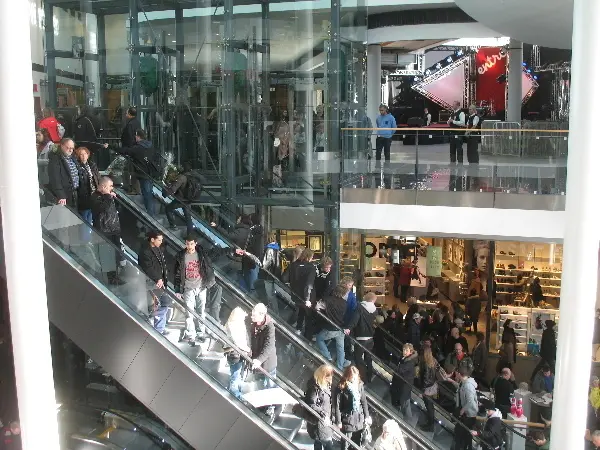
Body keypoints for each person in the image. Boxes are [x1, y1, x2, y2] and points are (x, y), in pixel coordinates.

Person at [175, 234, 242, 343]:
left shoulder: (202, 254)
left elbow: (218, 252)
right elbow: (177, 273)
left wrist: (233, 250)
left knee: (200, 312)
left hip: (201, 287)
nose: (189, 246)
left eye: (191, 244)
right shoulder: (181, 256)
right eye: (187, 244)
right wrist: (177, 289)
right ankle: (190, 334)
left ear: (195, 244)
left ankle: (201, 332)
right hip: (188, 288)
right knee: (189, 313)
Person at [91, 176, 125, 286]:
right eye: (110, 186)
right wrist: (107, 196)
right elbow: (103, 208)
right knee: (108, 255)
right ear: (104, 186)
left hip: (114, 229)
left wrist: (112, 198)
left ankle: (116, 276)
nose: (112, 188)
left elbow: (116, 210)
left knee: (116, 254)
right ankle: (111, 278)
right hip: (104, 230)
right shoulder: (95, 197)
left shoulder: (109, 196)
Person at [249, 303, 280, 424]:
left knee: (270, 386)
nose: (252, 316)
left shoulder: (270, 327)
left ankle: (271, 407)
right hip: (257, 363)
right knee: (261, 385)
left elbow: (269, 346)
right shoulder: (252, 323)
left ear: (262, 315)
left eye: (254, 314)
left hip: (267, 364)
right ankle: (263, 404)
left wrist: (259, 360)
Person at [117, 129, 157, 216]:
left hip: (143, 174)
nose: (135, 137)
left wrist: (111, 147)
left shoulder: (138, 148)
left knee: (146, 195)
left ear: (138, 136)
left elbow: (126, 151)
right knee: (149, 193)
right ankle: (152, 213)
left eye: (135, 135)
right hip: (151, 173)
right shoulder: (150, 146)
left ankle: (151, 215)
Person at [138, 231, 171, 334]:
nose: (161, 242)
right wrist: (158, 278)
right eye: (159, 240)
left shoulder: (158, 249)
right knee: (160, 304)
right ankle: (158, 329)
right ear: (152, 239)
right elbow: (148, 267)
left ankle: (159, 327)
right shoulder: (145, 251)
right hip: (152, 282)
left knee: (163, 303)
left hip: (159, 281)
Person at [334, 365, 371, 450]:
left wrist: (367, 416)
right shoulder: (341, 388)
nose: (354, 380)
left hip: (359, 420)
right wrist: (339, 421)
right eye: (352, 378)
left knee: (357, 445)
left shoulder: (359, 385)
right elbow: (337, 406)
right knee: (346, 445)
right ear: (347, 377)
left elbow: (363, 401)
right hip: (348, 421)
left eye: (355, 377)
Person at [315, 284, 350, 370]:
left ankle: (328, 358)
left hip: (331, 328)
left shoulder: (328, 300)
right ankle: (340, 367)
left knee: (319, 338)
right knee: (340, 348)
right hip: (341, 329)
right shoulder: (344, 303)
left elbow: (317, 307)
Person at [163, 162, 202, 235]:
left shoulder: (182, 177)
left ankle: (173, 225)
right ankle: (190, 235)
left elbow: (173, 188)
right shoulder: (193, 176)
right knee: (188, 217)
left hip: (181, 200)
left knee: (168, 208)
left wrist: (166, 193)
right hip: (189, 199)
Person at [347, 292, 378, 383]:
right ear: (372, 300)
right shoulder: (375, 310)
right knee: (368, 357)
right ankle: (369, 376)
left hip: (361, 337)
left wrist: (349, 328)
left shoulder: (360, 307)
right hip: (370, 338)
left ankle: (362, 377)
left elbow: (355, 319)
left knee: (358, 358)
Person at [305, 364, 335, 450]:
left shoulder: (324, 385)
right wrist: (323, 414)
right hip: (319, 423)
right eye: (328, 377)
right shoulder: (314, 388)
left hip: (324, 421)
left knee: (318, 443)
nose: (330, 379)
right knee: (328, 445)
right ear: (323, 376)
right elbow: (310, 403)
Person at [224, 307, 251, 399]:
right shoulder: (234, 325)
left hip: (237, 355)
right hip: (235, 355)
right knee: (235, 376)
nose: (244, 318)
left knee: (236, 375)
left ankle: (236, 393)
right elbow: (238, 342)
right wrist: (248, 350)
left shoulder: (235, 323)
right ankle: (235, 394)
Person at [288, 248, 317, 336]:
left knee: (301, 311)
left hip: (296, 295)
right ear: (310, 256)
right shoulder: (311, 267)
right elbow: (309, 284)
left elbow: (285, 278)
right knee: (309, 316)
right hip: (307, 297)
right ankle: (307, 337)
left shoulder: (293, 265)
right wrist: (307, 299)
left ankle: (299, 328)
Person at [48, 138, 79, 206]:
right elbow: (55, 179)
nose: (71, 150)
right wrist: (61, 195)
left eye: (72, 148)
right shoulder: (55, 159)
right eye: (68, 147)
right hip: (64, 195)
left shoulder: (72, 157)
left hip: (74, 192)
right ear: (61, 146)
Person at [454, 365, 478, 450]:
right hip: (466, 414)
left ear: (460, 374)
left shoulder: (468, 386)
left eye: (456, 373)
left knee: (463, 435)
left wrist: (462, 410)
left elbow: (470, 401)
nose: (455, 375)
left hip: (469, 415)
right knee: (464, 435)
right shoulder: (463, 383)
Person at [391, 343, 418, 420]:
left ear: (411, 351)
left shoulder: (410, 362)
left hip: (405, 386)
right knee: (404, 402)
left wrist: (392, 365)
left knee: (405, 403)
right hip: (403, 385)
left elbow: (400, 370)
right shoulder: (404, 358)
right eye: (404, 350)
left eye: (406, 350)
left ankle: (408, 421)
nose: (404, 351)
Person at [75, 147, 99, 226]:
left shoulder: (92, 164)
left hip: (94, 195)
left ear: (88, 155)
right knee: (84, 220)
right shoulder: (77, 166)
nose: (83, 156)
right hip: (84, 197)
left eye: (85, 154)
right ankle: (85, 238)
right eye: (81, 154)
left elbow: (98, 178)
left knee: (91, 218)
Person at [418, 345, 440, 432]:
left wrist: (422, 390)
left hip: (427, 389)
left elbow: (426, 379)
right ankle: (430, 423)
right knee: (430, 407)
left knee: (429, 407)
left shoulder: (426, 364)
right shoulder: (433, 361)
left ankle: (430, 426)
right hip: (432, 386)